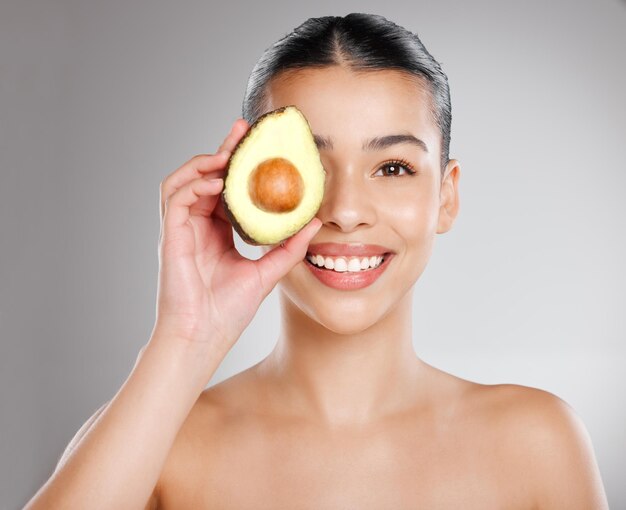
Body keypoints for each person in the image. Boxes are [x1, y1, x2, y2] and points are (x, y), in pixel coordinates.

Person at [25, 12, 609, 509]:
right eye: (312, 167)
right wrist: (185, 338)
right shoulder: (165, 446)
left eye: (393, 167)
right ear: (243, 187)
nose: (347, 211)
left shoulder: (537, 442)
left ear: (446, 197)